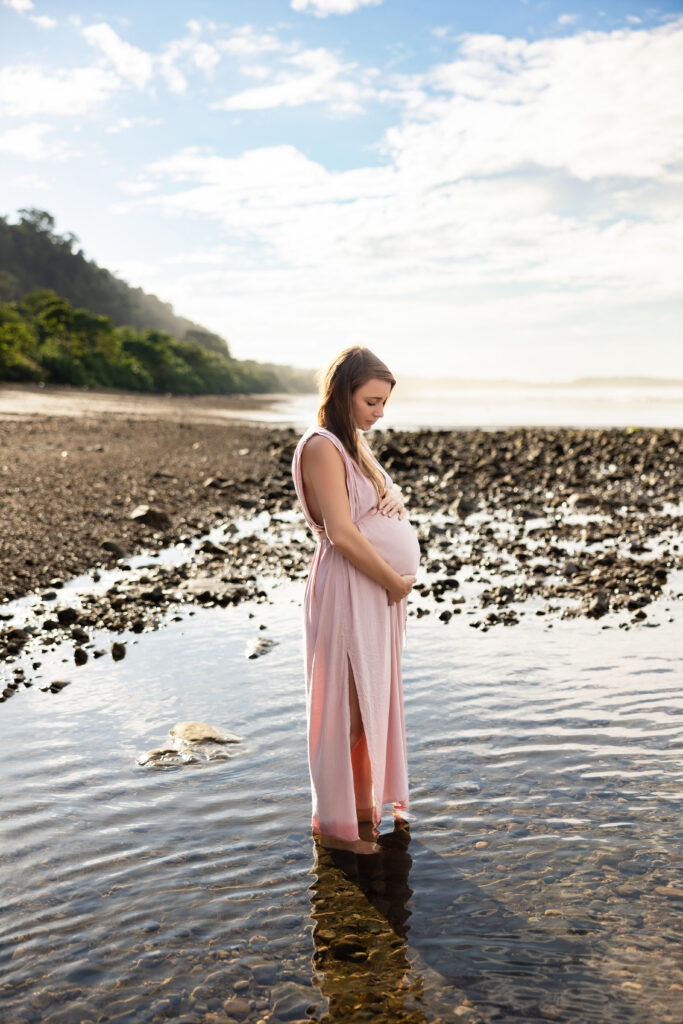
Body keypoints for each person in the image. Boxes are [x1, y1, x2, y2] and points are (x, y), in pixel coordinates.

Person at [291, 346, 420, 854]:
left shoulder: (354, 447)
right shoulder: (321, 445)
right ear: (343, 394)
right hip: (351, 586)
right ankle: (335, 826)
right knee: (343, 706)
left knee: (368, 703)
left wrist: (396, 496)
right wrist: (392, 579)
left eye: (385, 402)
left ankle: (360, 808)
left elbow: (378, 500)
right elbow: (342, 532)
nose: (380, 413)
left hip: (374, 590)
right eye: (372, 401)